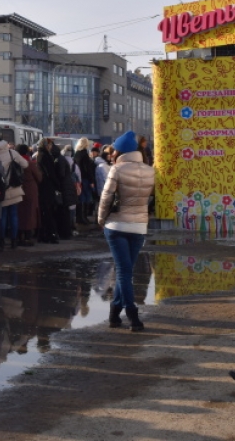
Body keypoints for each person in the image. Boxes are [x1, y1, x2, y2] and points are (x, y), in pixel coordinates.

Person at [97, 130, 155, 332]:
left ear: (120, 151)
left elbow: (106, 198)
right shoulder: (149, 170)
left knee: (123, 273)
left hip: (116, 226)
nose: (111, 154)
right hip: (139, 226)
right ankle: (114, 313)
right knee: (126, 271)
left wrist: (100, 218)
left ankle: (132, 313)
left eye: (114, 150)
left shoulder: (117, 169)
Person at [0, 137, 27, 248]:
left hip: (1, 190)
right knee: (13, 215)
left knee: (2, 216)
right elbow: (25, 164)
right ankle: (13, 240)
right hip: (14, 188)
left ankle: (2, 240)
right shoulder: (12, 153)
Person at [15, 143, 41, 247]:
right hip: (30, 191)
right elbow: (39, 177)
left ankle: (18, 236)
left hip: (17, 190)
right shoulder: (30, 164)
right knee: (29, 214)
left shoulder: (14, 162)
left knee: (18, 214)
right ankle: (27, 237)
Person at [73, 137, 96, 225]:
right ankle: (84, 217)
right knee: (86, 198)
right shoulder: (85, 154)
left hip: (78, 178)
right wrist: (91, 181)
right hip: (85, 179)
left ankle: (80, 217)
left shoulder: (76, 154)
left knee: (80, 198)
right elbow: (88, 169)